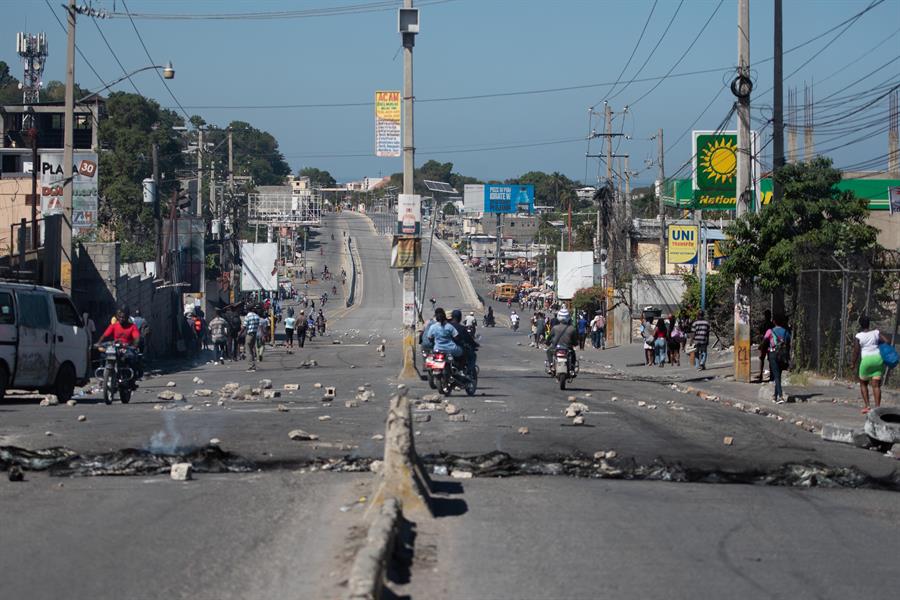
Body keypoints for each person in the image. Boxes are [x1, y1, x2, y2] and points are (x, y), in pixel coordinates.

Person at [852, 315, 889, 414]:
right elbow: (887, 341)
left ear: (860, 325)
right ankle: (877, 408)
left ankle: (867, 406)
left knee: (863, 383)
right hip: (878, 359)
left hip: (867, 361)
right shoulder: (876, 332)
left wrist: (853, 363)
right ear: (869, 323)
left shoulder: (858, 336)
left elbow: (856, 351)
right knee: (876, 386)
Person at [98, 306, 142, 379]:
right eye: (120, 317)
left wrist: (134, 345)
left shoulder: (132, 327)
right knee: (103, 355)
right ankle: (103, 374)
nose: (121, 319)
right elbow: (105, 335)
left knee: (132, 358)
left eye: (123, 317)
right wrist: (99, 343)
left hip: (126, 348)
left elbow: (136, 338)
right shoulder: (114, 326)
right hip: (115, 347)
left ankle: (132, 377)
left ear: (127, 317)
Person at [764, 315, 791, 404]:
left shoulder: (770, 331)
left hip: (773, 353)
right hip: (782, 355)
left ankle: (780, 396)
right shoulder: (785, 332)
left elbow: (765, 341)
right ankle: (775, 396)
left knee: (776, 375)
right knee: (778, 374)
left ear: (774, 322)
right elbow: (788, 342)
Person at [450, 309, 479, 374]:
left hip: (445, 349)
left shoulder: (447, 326)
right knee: (472, 355)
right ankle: (468, 371)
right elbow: (469, 339)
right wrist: (475, 344)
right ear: (460, 318)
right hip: (456, 349)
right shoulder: (461, 328)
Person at [242, 305, 261, 371]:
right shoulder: (257, 316)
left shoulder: (247, 316)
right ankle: (253, 364)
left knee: (248, 350)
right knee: (251, 349)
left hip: (249, 334)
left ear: (247, 310)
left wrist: (240, 334)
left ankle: (251, 365)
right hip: (254, 334)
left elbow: (244, 326)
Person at [757, 309, 774, 382]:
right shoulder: (772, 325)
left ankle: (761, 374)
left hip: (764, 343)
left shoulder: (762, 324)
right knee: (770, 359)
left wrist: (760, 343)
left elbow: (759, 334)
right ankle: (771, 375)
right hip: (770, 344)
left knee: (762, 359)